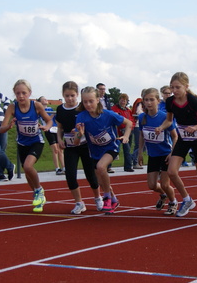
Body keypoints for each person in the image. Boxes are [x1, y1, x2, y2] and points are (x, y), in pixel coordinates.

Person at [154, 72, 197, 217]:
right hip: (183, 137)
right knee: (172, 171)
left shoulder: (192, 100)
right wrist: (161, 127)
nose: (174, 90)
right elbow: (169, 120)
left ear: (186, 87)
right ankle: (187, 200)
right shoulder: (170, 102)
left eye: (177, 87)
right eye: (172, 87)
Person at [76, 86, 133, 214]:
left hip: (111, 147)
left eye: (91, 101)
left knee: (101, 167)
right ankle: (114, 198)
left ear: (98, 100)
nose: (88, 104)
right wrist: (79, 134)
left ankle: (106, 197)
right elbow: (75, 141)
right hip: (94, 151)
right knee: (100, 180)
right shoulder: (81, 117)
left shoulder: (108, 114)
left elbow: (129, 123)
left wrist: (126, 136)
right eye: (85, 102)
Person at [0, 80, 53, 213]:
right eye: (18, 93)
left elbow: (49, 120)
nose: (21, 96)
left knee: (28, 166)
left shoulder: (36, 105)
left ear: (30, 93)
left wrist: (46, 127)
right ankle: (38, 197)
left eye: (24, 93)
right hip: (22, 143)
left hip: (36, 141)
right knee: (27, 172)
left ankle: (39, 190)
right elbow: (1, 129)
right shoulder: (12, 107)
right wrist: (9, 126)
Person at [55, 81, 103, 214]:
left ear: (77, 95)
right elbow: (59, 128)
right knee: (70, 175)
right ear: (63, 95)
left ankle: (97, 197)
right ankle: (79, 203)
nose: (70, 99)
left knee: (91, 175)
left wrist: (80, 132)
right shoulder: (60, 109)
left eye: (72, 95)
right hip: (70, 146)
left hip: (85, 145)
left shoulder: (82, 109)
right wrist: (59, 139)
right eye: (67, 96)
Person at [137, 87, 178, 215]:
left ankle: (173, 202)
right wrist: (139, 152)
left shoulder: (164, 117)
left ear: (158, 101)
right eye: (146, 100)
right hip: (152, 154)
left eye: (151, 100)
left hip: (165, 154)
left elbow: (175, 136)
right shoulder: (142, 117)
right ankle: (163, 195)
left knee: (165, 184)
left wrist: (172, 153)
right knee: (152, 185)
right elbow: (142, 135)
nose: (149, 103)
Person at [38, 96, 65, 175]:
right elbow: (47, 119)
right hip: (48, 129)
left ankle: (64, 167)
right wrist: (53, 114)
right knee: (55, 149)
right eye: (44, 99)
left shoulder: (50, 109)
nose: (46, 100)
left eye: (46, 99)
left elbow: (56, 119)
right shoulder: (41, 110)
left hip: (55, 129)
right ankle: (57, 168)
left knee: (60, 149)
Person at [112, 93, 136, 172]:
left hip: (128, 131)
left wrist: (131, 127)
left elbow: (132, 120)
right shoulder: (114, 109)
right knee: (114, 149)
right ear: (119, 100)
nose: (123, 102)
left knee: (127, 149)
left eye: (125, 100)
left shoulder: (128, 110)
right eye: (122, 100)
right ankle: (108, 166)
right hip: (119, 132)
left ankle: (128, 166)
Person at [131, 94, 144, 169]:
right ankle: (133, 158)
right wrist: (146, 115)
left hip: (142, 125)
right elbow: (139, 111)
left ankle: (133, 157)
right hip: (137, 125)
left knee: (143, 145)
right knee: (138, 144)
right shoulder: (140, 102)